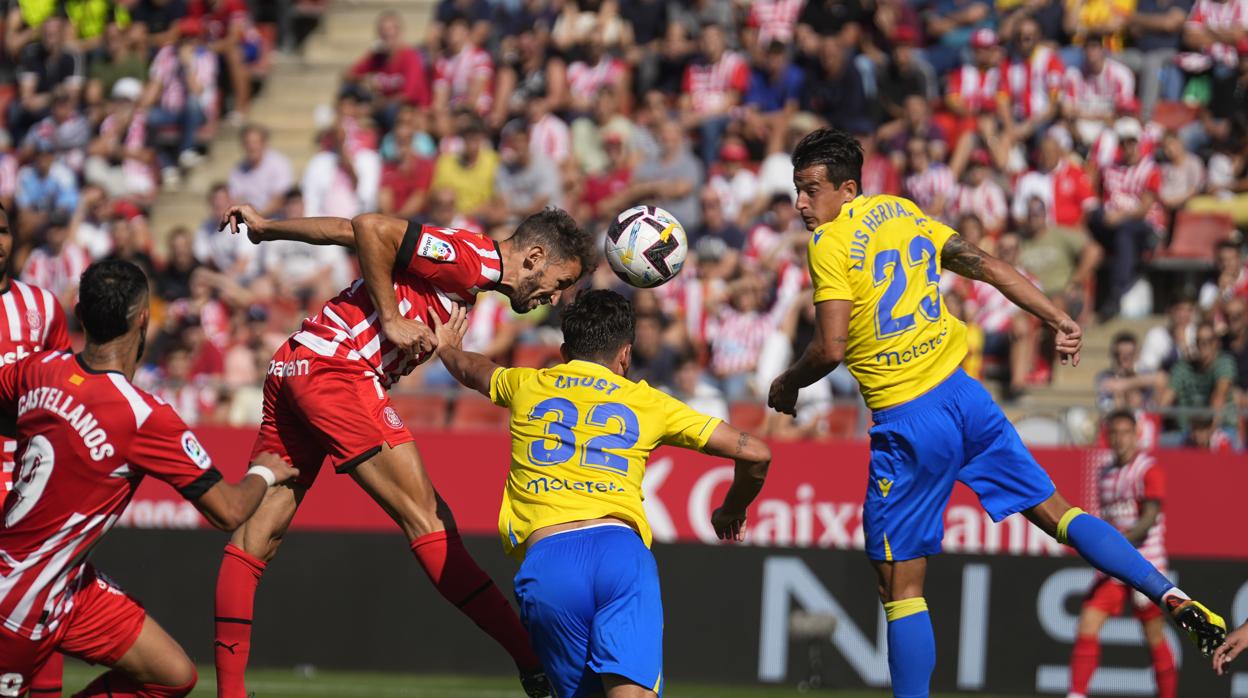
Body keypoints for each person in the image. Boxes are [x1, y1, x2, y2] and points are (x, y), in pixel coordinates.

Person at [766, 127, 1225, 697]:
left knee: (901, 589)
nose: (802, 204)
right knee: (1060, 513)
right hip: (966, 397)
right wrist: (1056, 316)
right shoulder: (901, 212)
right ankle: (1166, 592)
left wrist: (786, 384)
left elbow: (829, 348)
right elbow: (983, 263)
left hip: (909, 423)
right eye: (797, 190)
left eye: (812, 190)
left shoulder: (828, 244)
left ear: (848, 188)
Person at [210, 204, 596, 698]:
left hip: (296, 363)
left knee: (254, 541)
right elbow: (373, 227)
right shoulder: (474, 259)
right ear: (535, 257)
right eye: (560, 281)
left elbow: (354, 232)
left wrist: (268, 228)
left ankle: (230, 692)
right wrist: (390, 318)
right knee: (430, 522)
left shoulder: (466, 270)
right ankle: (534, 662)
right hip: (339, 371)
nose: (557, 296)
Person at [435, 289, 771, 698]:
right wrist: (730, 510)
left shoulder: (529, 384)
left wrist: (448, 348)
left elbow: (473, 368)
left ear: (563, 351)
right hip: (619, 557)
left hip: (548, 565)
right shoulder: (648, 402)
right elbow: (755, 453)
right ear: (625, 355)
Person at [0, 259, 299, 697]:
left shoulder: (38, 369)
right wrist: (264, 471)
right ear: (143, 319)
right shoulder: (144, 416)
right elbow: (230, 510)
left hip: (67, 585)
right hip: (17, 604)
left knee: (171, 675)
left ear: (80, 314)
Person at [1066, 410, 1176, 698]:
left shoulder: (1148, 469)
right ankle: (1076, 694)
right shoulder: (1105, 473)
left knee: (1154, 636)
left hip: (1146, 567)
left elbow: (1150, 516)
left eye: (1126, 432)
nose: (1120, 439)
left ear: (1137, 434)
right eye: (1114, 433)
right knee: (1088, 622)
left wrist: (1118, 547)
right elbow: (1109, 523)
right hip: (1114, 570)